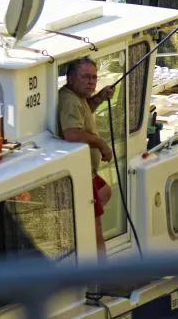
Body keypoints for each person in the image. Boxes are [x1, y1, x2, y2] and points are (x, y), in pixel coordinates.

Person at [57, 56, 115, 256]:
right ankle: (101, 276)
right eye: (86, 77)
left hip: (88, 172)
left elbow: (83, 113)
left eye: (94, 78)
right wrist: (101, 144)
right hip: (80, 173)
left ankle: (77, 223)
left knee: (105, 192)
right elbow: (72, 133)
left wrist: (99, 97)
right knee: (95, 224)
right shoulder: (69, 101)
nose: (91, 82)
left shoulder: (77, 97)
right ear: (71, 78)